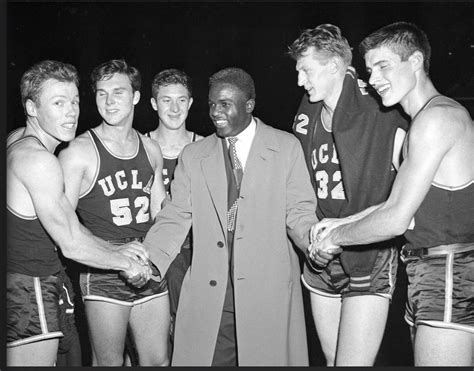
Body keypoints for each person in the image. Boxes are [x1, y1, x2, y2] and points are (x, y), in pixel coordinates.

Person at [311, 22, 474, 366]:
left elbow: (396, 219)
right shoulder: (422, 120)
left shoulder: (438, 119)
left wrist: (336, 236)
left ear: (415, 61)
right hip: (427, 269)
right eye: (370, 70)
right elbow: (399, 202)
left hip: (449, 269)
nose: (374, 79)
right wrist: (339, 222)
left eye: (384, 66)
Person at [143, 67, 317, 366]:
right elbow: (175, 216)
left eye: (225, 104)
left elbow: (299, 212)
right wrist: (148, 260)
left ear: (249, 105)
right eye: (211, 104)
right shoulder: (194, 155)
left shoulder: (286, 147)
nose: (215, 112)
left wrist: (314, 243)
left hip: (267, 294)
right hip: (213, 296)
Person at [6, 60, 151, 367]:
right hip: (29, 285)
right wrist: (125, 262)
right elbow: (70, 242)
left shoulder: (18, 138)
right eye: (58, 103)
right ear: (32, 108)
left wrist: (118, 248)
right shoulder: (38, 161)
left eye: (74, 101)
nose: (71, 112)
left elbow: (68, 225)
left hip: (46, 280)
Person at [288, 24, 409, 366]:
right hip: (321, 252)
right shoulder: (307, 111)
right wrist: (309, 239)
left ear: (336, 67)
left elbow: (406, 187)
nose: (300, 81)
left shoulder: (379, 109)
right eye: (298, 71)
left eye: (306, 71)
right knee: (332, 360)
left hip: (367, 251)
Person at [57, 59, 169, 366]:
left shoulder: (151, 149)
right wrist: (112, 252)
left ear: (134, 97)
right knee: (109, 363)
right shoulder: (78, 151)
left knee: (158, 361)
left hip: (147, 260)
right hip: (103, 266)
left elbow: (161, 210)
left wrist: (159, 252)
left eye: (118, 92)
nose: (109, 101)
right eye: (101, 93)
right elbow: (61, 227)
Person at [147, 68, 203, 344]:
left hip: (193, 253)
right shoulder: (139, 147)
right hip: (152, 249)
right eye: (166, 100)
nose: (174, 108)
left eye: (181, 100)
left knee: (189, 336)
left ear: (191, 103)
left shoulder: (206, 148)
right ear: (154, 103)